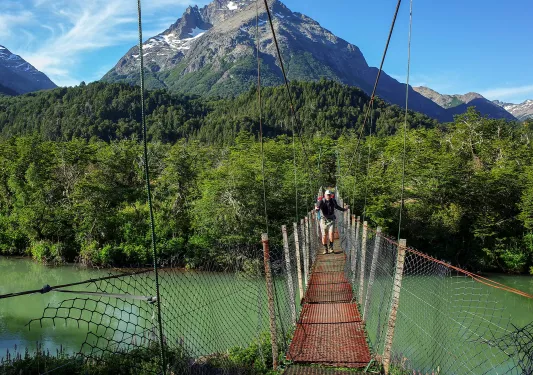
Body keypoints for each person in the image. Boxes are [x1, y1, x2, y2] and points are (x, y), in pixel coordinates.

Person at [315, 189, 348, 254]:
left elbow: (337, 207)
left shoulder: (333, 200)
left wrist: (344, 209)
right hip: (323, 220)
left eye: (329, 195)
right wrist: (316, 209)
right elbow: (318, 208)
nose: (328, 196)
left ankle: (331, 248)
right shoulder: (321, 201)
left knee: (331, 234)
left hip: (331, 219)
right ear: (325, 195)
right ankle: (325, 249)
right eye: (327, 195)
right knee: (324, 235)